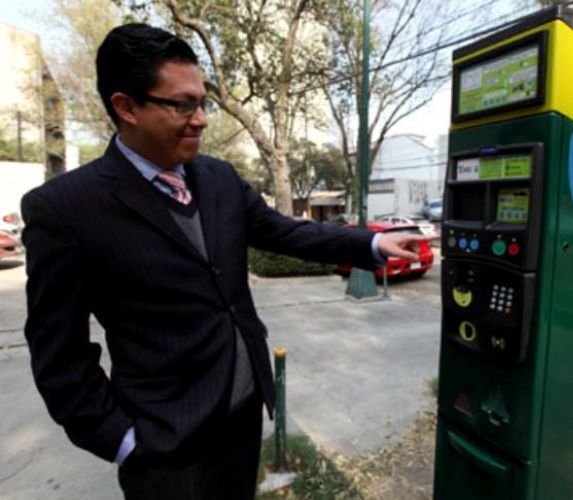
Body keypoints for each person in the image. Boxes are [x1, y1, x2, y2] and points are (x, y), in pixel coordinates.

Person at [21, 23, 427, 500]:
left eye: (203, 101)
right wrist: (123, 441)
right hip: (164, 447)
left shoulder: (217, 178)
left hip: (242, 414)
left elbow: (285, 230)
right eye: (182, 105)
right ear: (125, 107)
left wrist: (371, 245)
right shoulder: (66, 209)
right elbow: (58, 356)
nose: (202, 119)